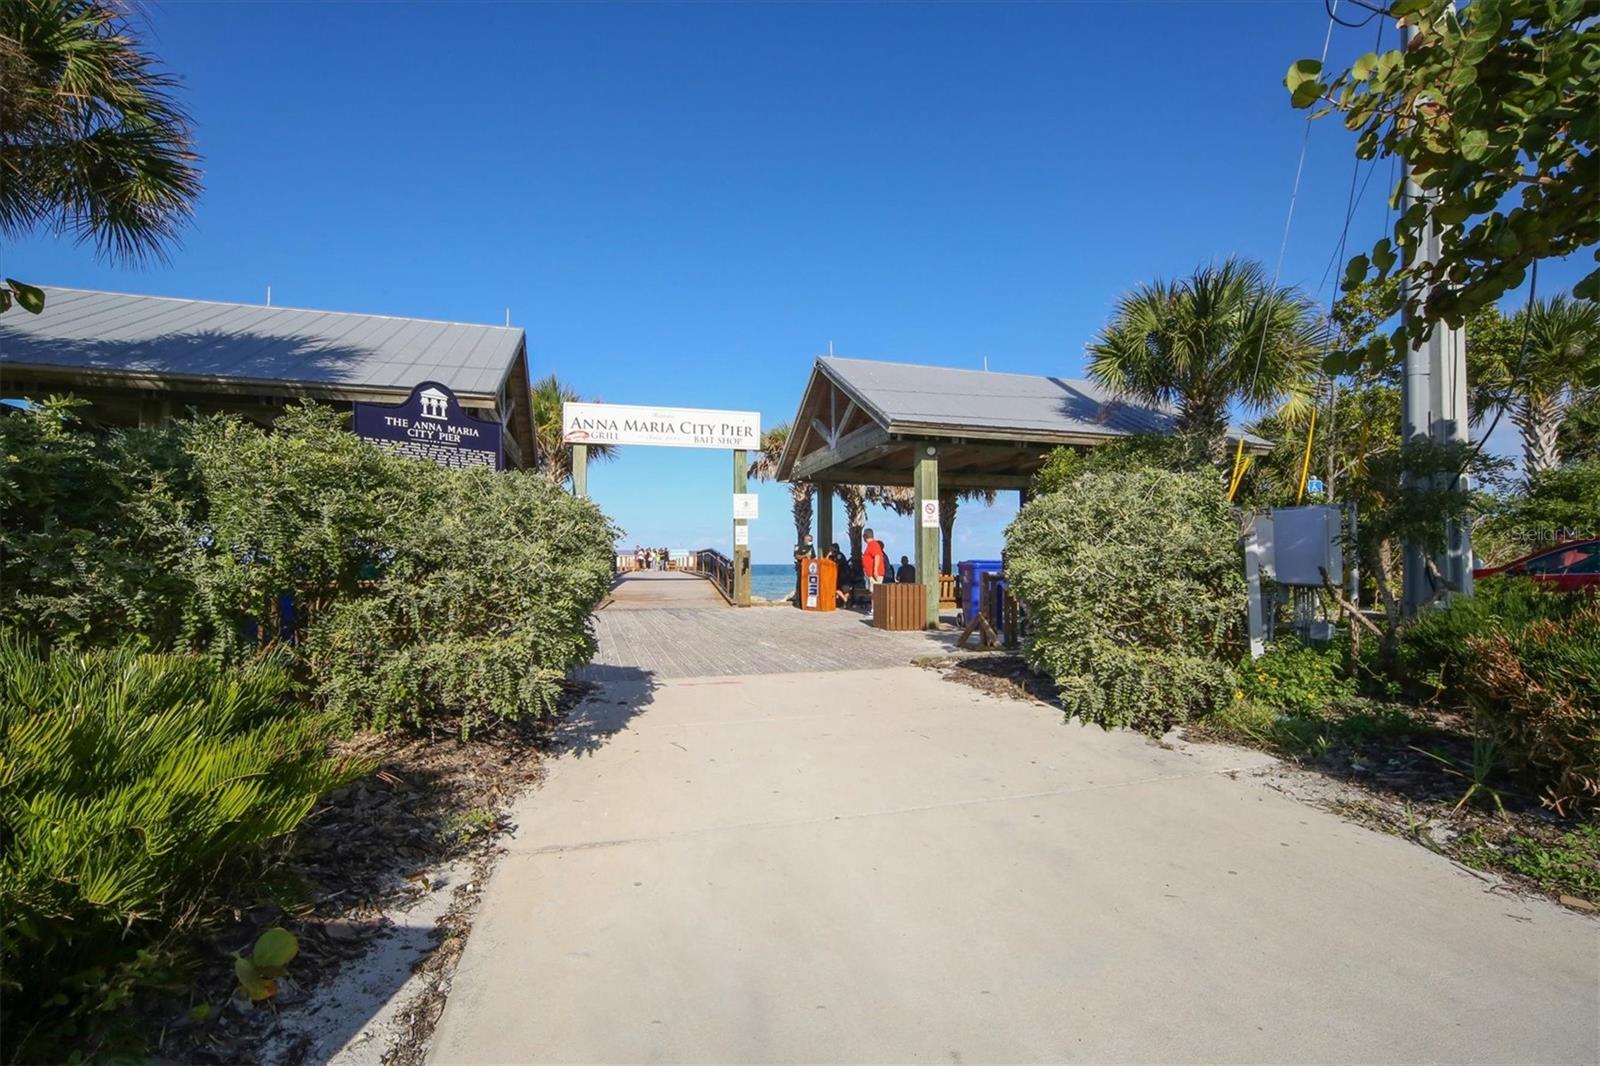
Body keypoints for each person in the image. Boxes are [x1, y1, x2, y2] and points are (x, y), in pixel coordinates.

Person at [861, 527, 886, 615]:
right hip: (870, 573)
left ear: (865, 536)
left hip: (875, 573)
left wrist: (875, 570)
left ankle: (875, 610)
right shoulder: (871, 545)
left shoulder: (873, 544)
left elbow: (877, 556)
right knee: (873, 591)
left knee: (875, 591)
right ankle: (873, 609)